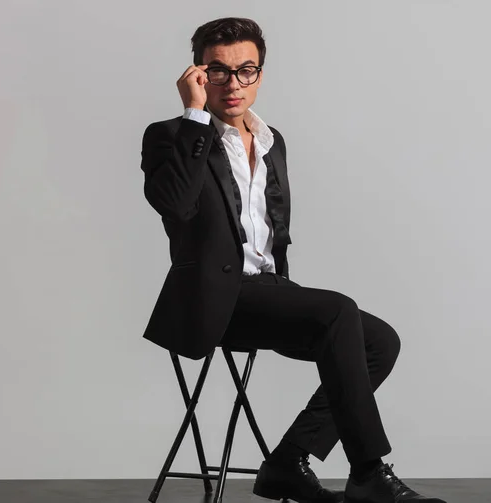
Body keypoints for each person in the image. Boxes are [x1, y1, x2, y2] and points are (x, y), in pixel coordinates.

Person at [140, 17, 446, 503]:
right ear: (198, 74)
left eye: (246, 70)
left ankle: (287, 462)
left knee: (381, 342)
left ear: (261, 73)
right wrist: (194, 116)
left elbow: (271, 229)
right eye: (218, 71)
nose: (233, 83)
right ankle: (368, 472)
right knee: (338, 309)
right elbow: (175, 205)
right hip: (209, 302)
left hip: (267, 291)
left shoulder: (270, 139)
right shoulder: (170, 135)